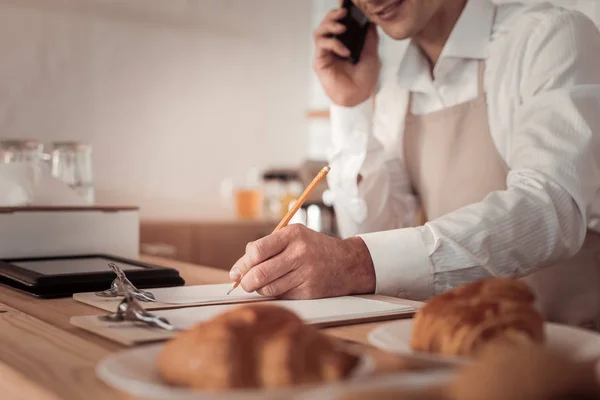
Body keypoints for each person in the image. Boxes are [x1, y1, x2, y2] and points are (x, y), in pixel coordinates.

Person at [229, 0, 600, 330]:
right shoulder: (395, 87)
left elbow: (550, 210)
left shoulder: (550, 37)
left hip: (568, 343)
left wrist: (355, 262)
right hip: (465, 340)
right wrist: (350, 104)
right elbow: (377, 233)